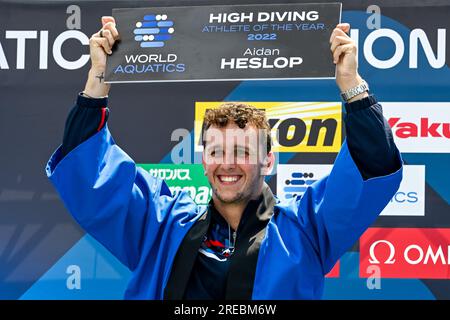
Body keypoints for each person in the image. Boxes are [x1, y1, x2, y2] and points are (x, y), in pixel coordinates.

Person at [46, 16, 403, 299]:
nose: (227, 163)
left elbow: (370, 166)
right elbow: (88, 172)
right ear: (203, 160)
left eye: (242, 152)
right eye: (216, 151)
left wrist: (351, 84)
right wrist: (97, 80)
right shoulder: (162, 224)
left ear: (268, 162)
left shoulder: (306, 229)